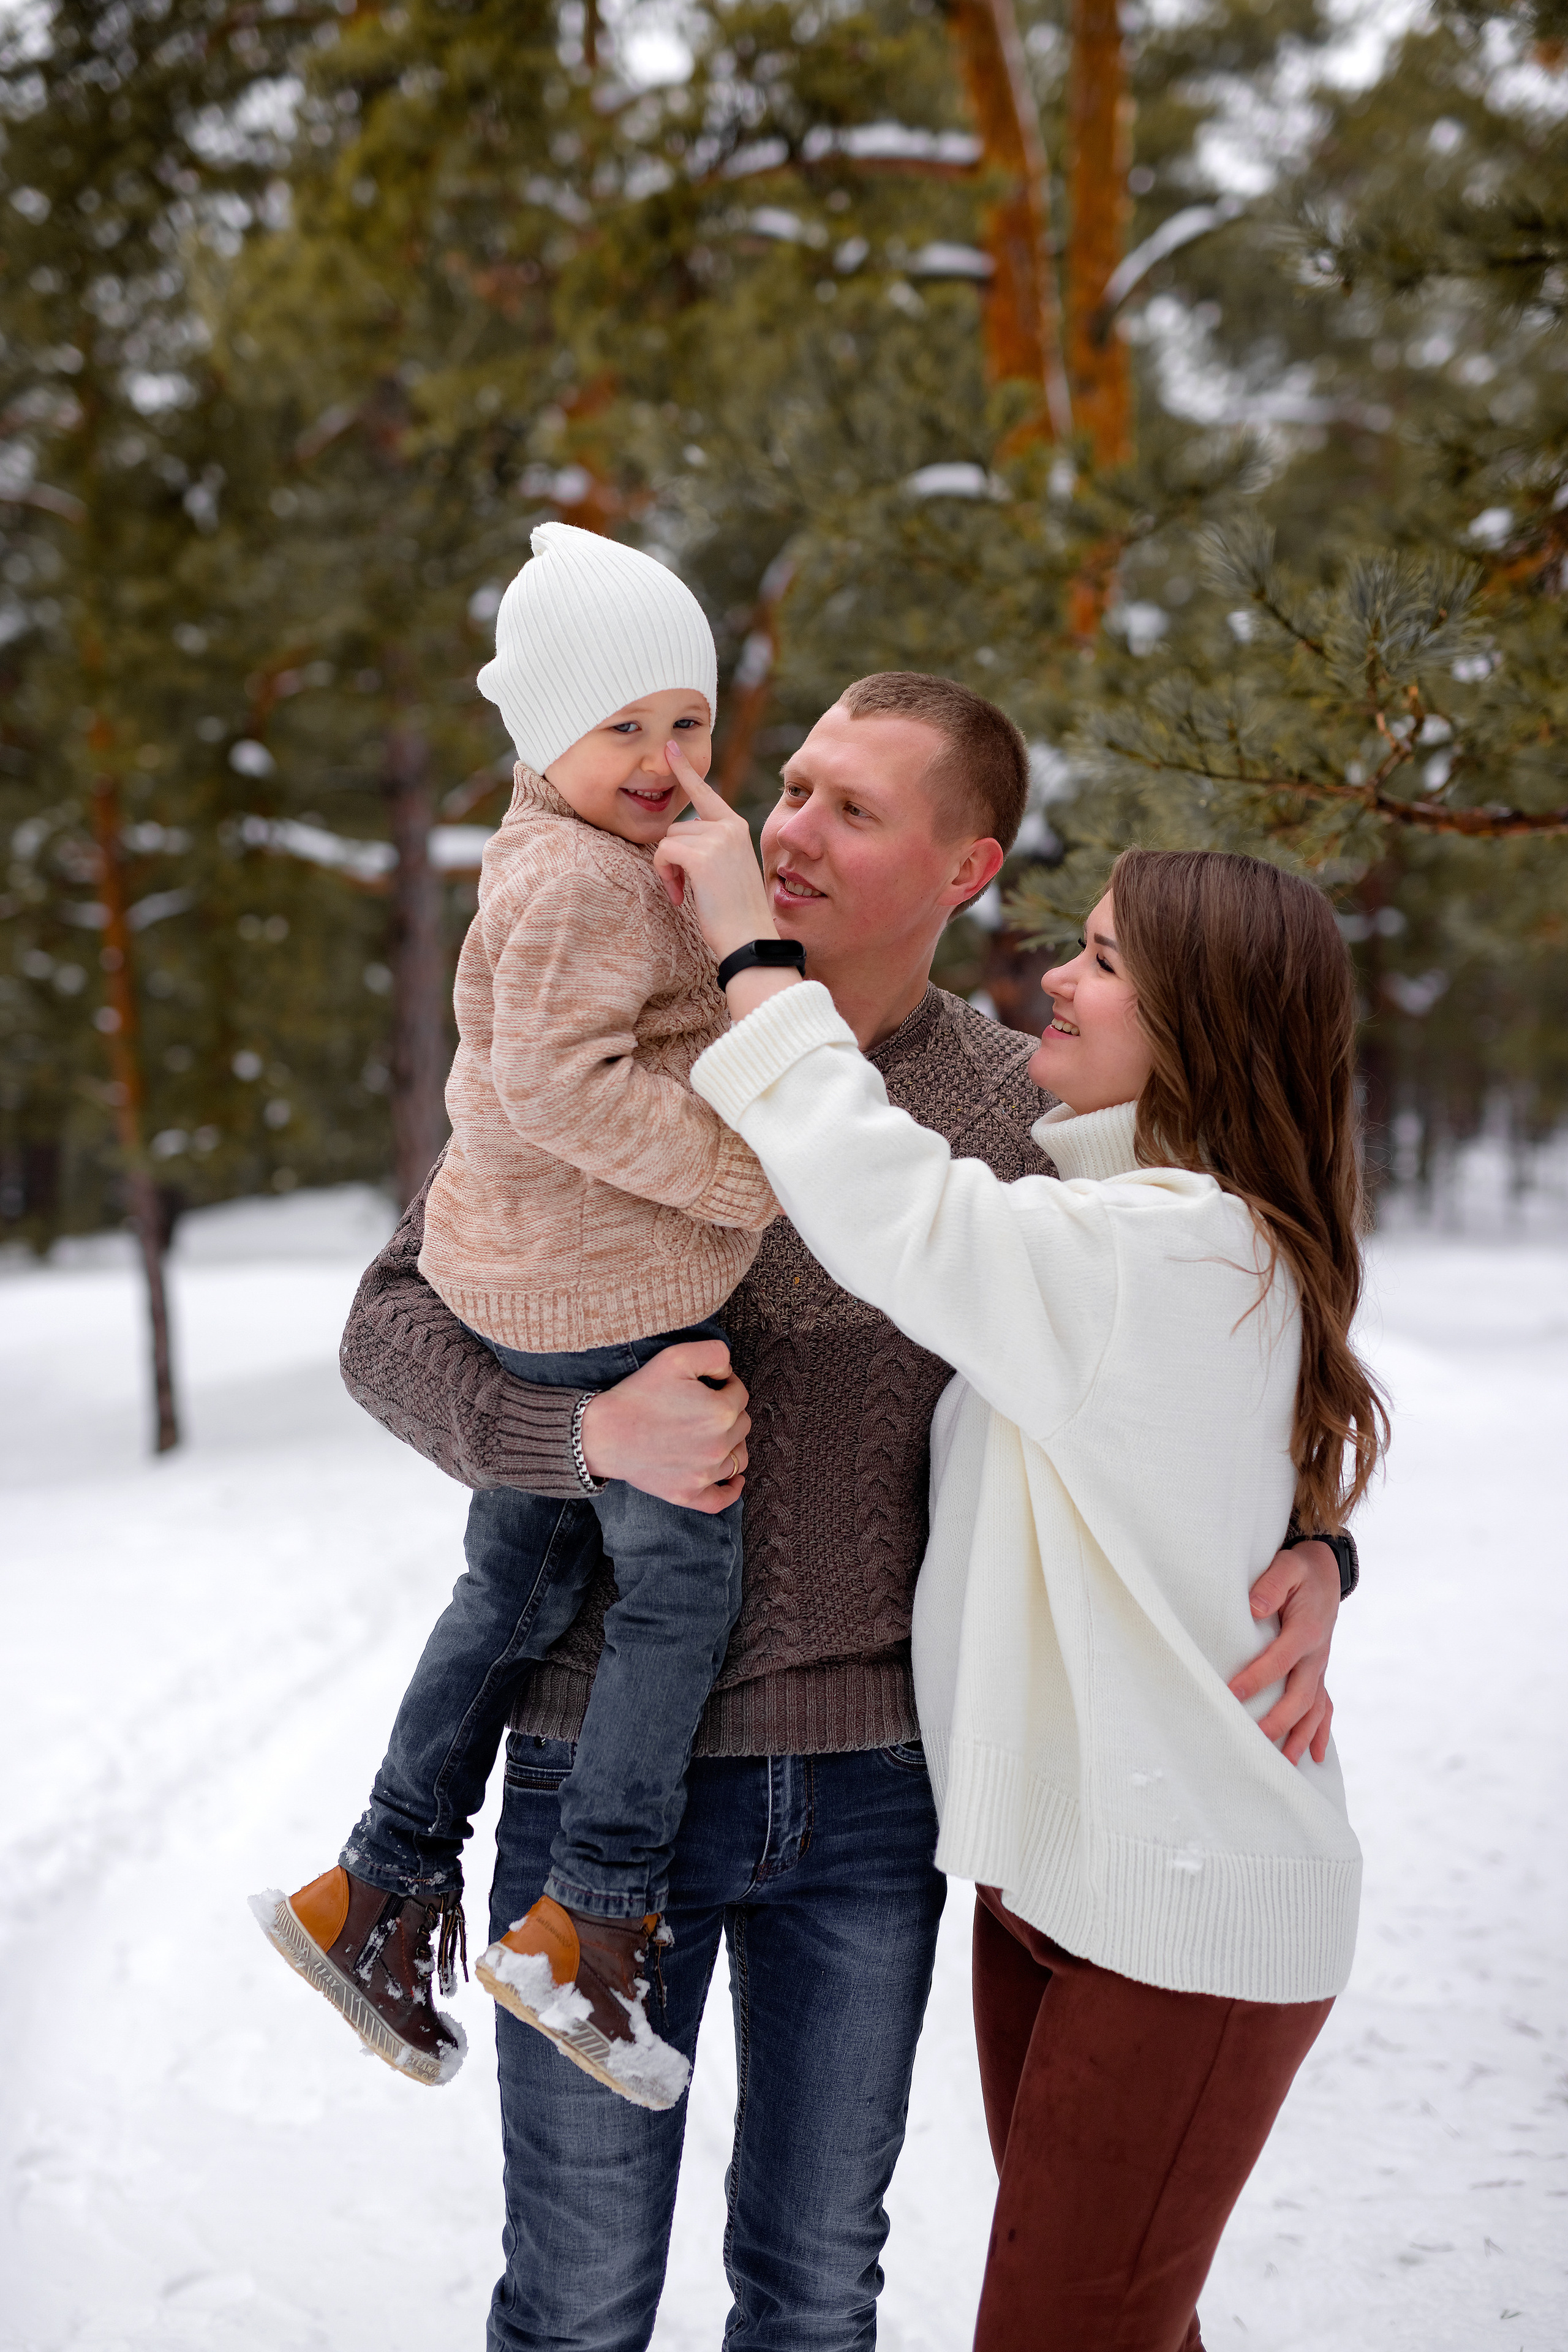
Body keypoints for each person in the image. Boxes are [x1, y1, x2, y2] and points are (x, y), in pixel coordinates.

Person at [338, 673, 1351, 2350]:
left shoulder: (1035, 1116)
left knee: (816, 2293)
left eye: (851, 810)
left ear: (967, 869)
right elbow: (390, 1325)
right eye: (791, 784)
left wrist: (1319, 1542)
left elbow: (1236, 1344)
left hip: (871, 1794)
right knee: (578, 2296)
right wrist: (581, 1433)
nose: (782, 828)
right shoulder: (611, 1038)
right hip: (596, 1777)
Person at [660, 764, 1384, 2351]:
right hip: (1079, 1884)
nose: (1057, 971)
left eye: (1110, 960)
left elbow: (893, 1210)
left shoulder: (1164, 1245)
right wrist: (1320, 1540)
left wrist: (749, 957)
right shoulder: (1149, 1223)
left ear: (1203, 1022)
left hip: (1183, 1912)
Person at [252, 520, 781, 2108]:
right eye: (622, 725)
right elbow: (552, 1078)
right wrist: (744, 1172)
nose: (664, 756)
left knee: (518, 1585)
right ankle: (593, 1917)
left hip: (541, 1282)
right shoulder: (581, 880)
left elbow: (513, 1064)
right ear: (542, 732)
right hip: (601, 1298)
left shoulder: (586, 859)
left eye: (687, 721)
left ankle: (382, 1882)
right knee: (678, 1590)